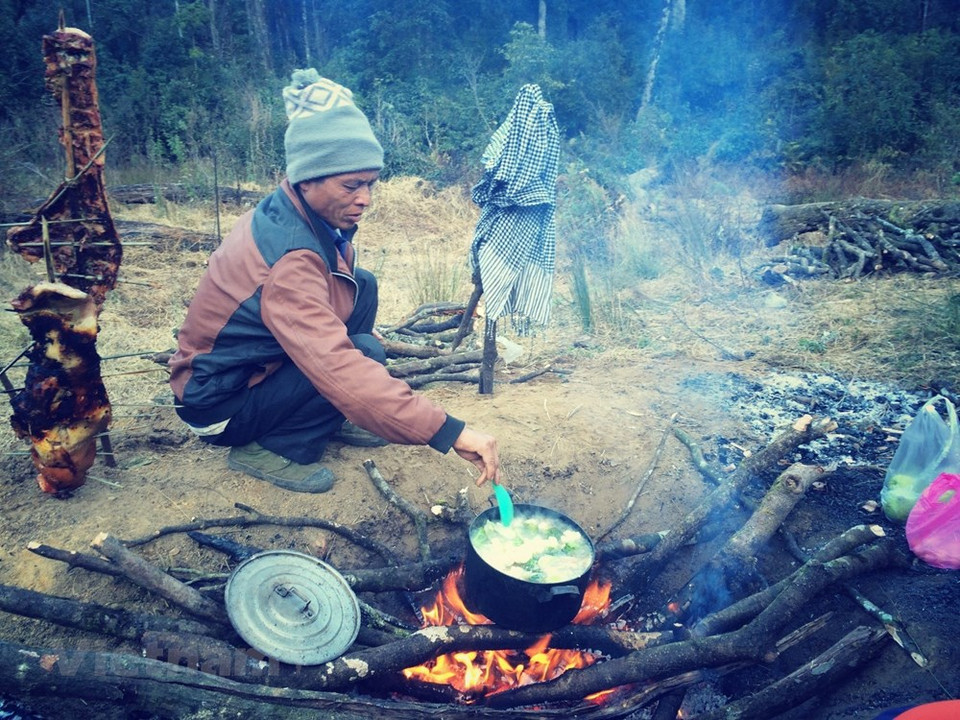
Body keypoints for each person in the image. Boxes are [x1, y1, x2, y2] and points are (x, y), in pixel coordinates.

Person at [168, 69, 500, 493]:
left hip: (248, 371)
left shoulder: (295, 210)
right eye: (351, 185)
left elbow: (336, 301)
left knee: (362, 284)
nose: (365, 198)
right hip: (218, 406)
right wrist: (450, 431)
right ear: (308, 177)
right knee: (358, 354)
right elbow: (337, 366)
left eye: (370, 184)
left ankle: (330, 412)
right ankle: (271, 447)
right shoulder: (291, 256)